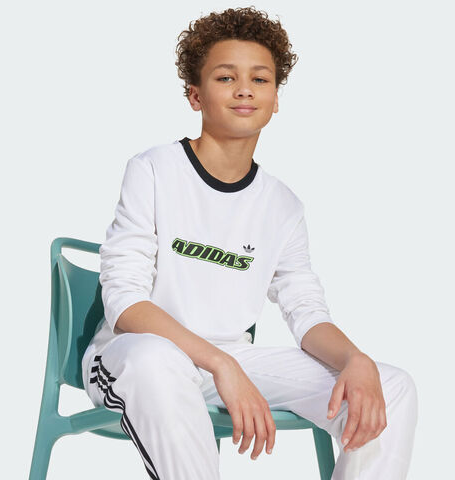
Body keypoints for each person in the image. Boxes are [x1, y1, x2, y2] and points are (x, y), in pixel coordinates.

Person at [81, 6, 418, 479]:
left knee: (391, 385)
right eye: (226, 78)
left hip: (230, 360)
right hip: (136, 354)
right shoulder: (153, 169)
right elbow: (124, 301)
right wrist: (220, 364)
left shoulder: (283, 205)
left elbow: (307, 312)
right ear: (195, 95)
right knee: (156, 361)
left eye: (260, 79)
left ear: (275, 98)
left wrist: (355, 359)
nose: (244, 89)